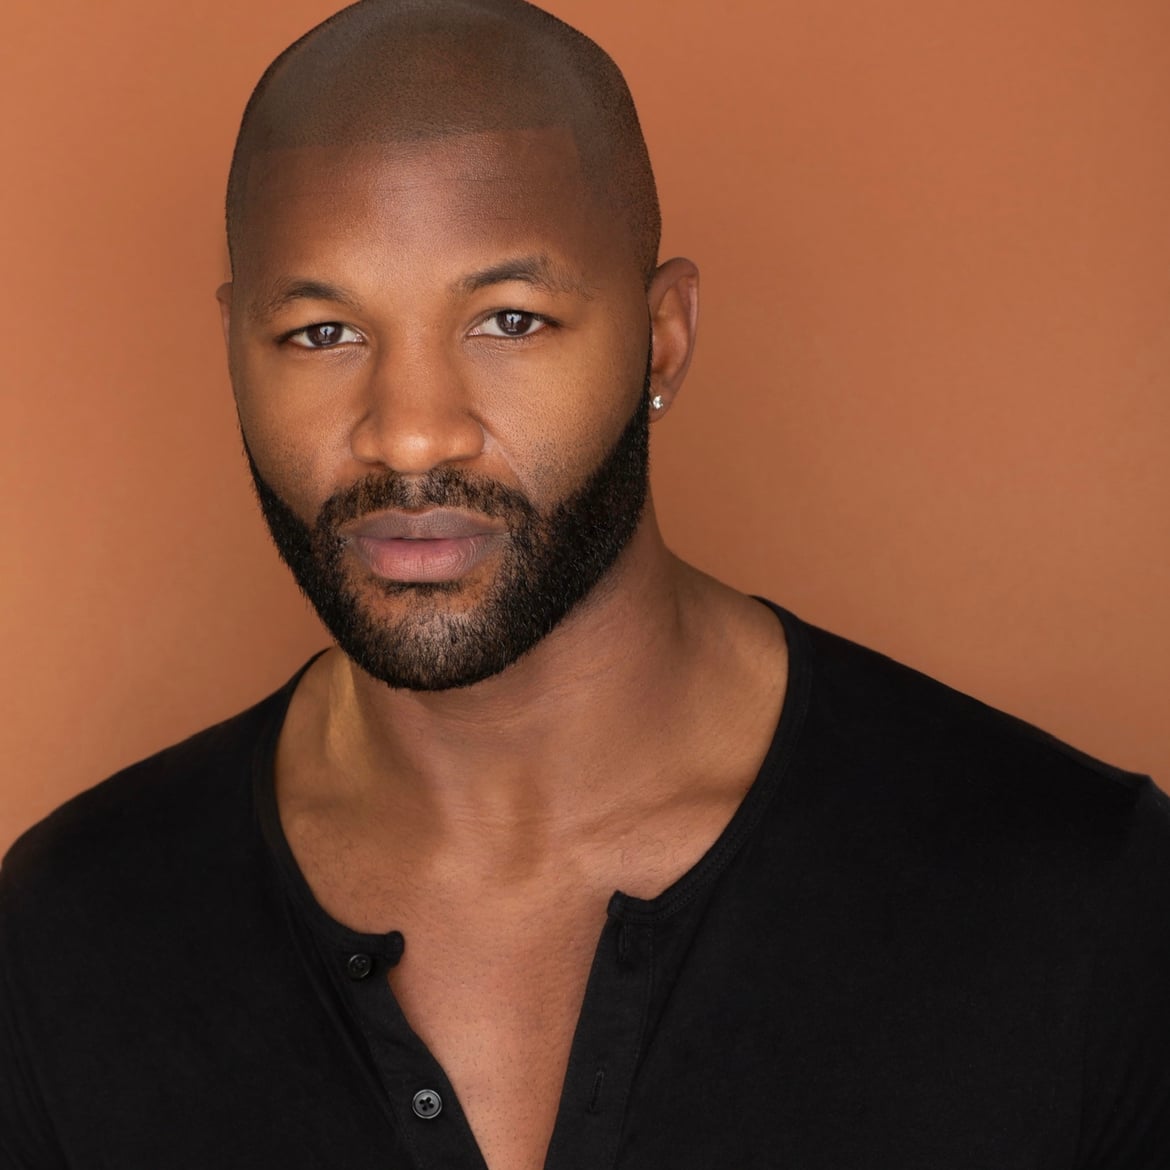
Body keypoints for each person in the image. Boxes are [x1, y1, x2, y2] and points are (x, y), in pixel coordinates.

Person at [2, 1, 1168, 1166]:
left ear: (662, 337)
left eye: (510, 320)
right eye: (321, 333)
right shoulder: (71, 931)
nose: (411, 434)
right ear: (232, 350)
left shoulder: (1078, 895)